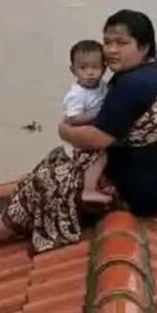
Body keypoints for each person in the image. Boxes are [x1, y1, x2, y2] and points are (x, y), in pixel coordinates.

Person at [0, 9, 157, 258]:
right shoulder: (148, 71)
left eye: (122, 43)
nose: (111, 49)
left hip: (140, 192)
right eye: (108, 42)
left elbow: (97, 138)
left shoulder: (134, 84)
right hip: (144, 176)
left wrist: (64, 130)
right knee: (56, 158)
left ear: (144, 47)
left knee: (49, 180)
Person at [62, 40, 110, 206]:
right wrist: (97, 113)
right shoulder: (76, 95)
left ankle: (99, 184)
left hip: (94, 134)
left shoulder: (102, 87)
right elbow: (74, 119)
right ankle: (88, 190)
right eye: (83, 68)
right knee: (100, 157)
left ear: (104, 68)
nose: (90, 73)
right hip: (79, 142)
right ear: (73, 70)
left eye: (95, 68)